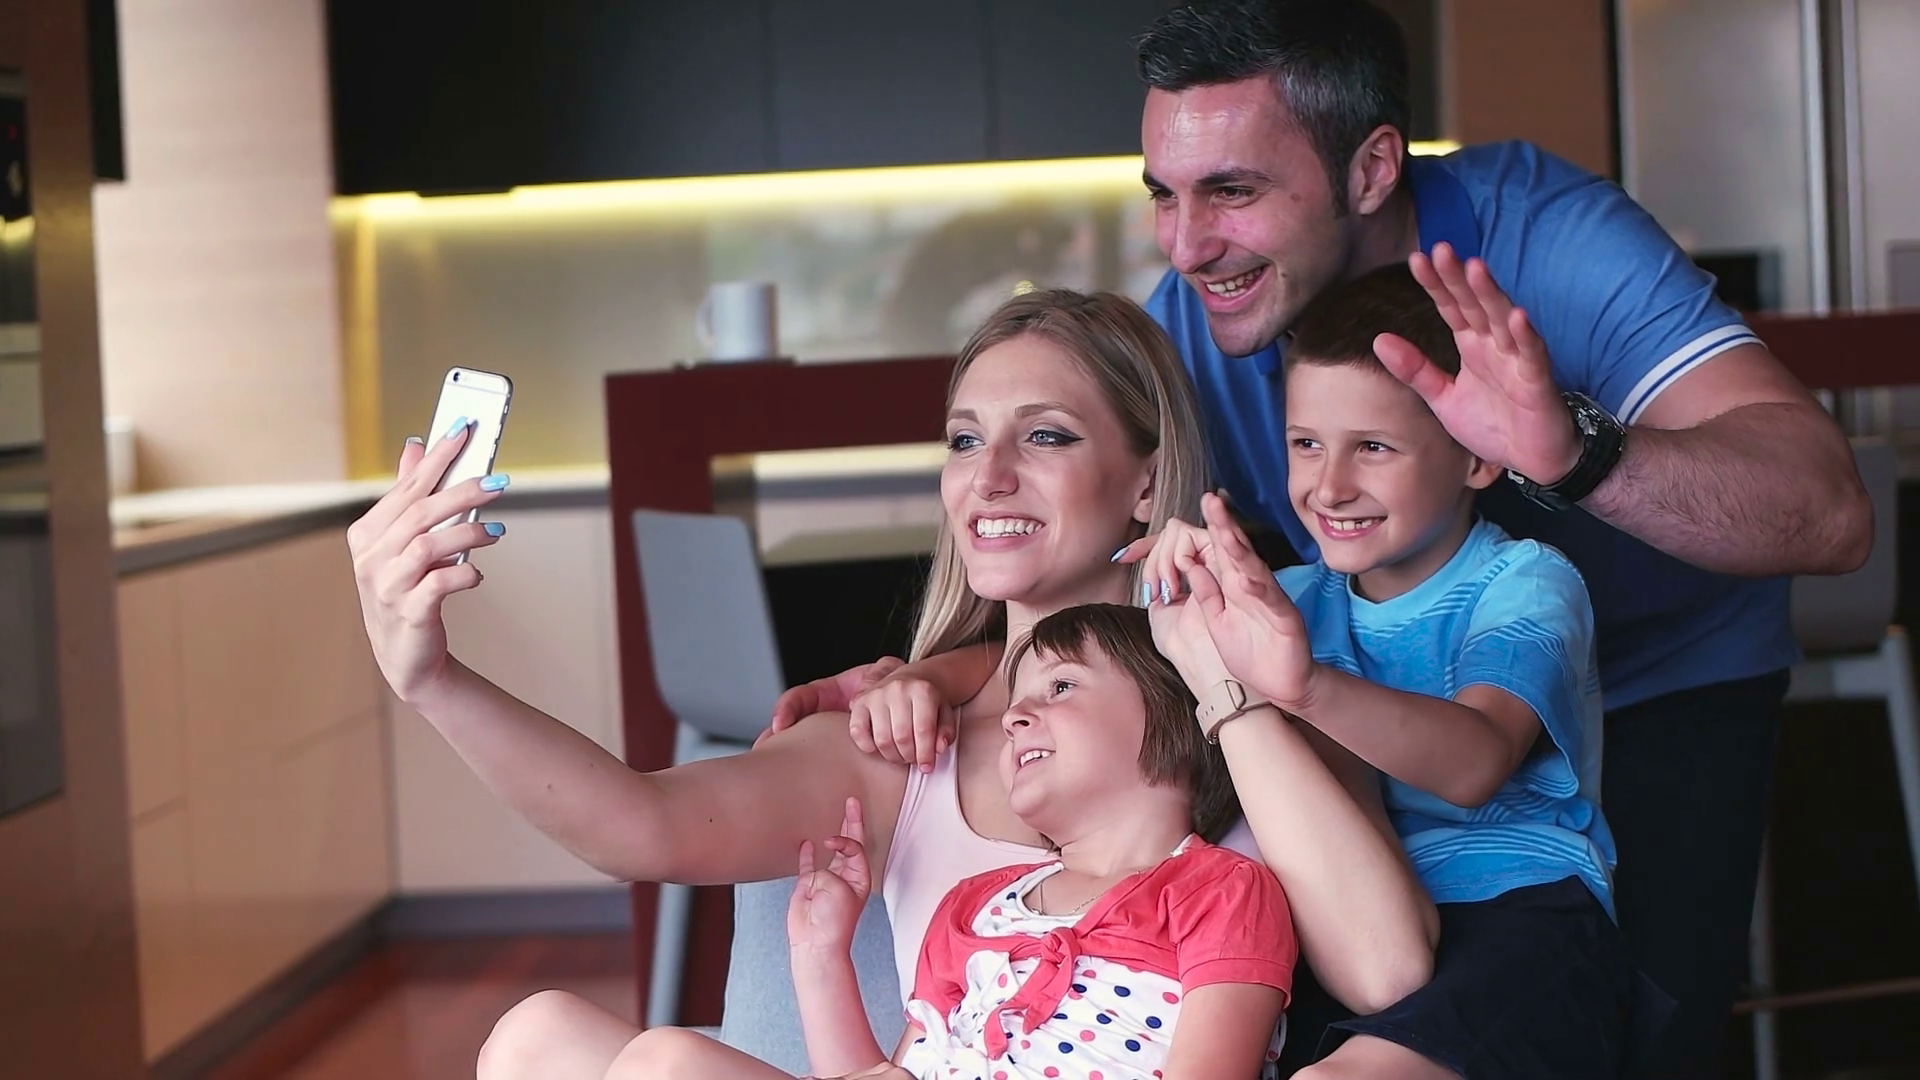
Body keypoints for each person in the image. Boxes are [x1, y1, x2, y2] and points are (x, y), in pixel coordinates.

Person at [345, 287, 1433, 1079]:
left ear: (1148, 484)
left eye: (1044, 435)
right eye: (965, 440)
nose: (989, 477)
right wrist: (432, 678)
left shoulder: (1267, 686)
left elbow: (1388, 969)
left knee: (664, 1067)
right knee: (541, 1038)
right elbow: (642, 824)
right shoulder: (907, 728)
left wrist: (1233, 690)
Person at [1124, 3, 1874, 1075]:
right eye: (1165, 195)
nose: (1187, 245)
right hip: (1375, 742)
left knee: (1632, 1035)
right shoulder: (1203, 309)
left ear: (1374, 167)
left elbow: (1833, 511)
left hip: (1653, 692)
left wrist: (1574, 454)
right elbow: (1084, 544)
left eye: (1234, 191)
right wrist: (934, 674)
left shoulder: (1552, 245)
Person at [1139, 263, 1637, 1079]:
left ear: (1478, 458)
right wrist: (1166, 580)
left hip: (1517, 919)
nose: (1329, 486)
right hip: (1329, 925)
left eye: (1372, 447)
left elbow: (1476, 762)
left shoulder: (1524, 583)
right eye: (1306, 445)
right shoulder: (1289, 598)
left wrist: (1302, 686)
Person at [603, 603, 1297, 1080]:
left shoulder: (1223, 889)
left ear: (1174, 719)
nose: (1018, 717)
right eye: (1017, 702)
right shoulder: (976, 904)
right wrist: (820, 957)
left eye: (1060, 687)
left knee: (664, 1062)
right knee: (596, 1046)